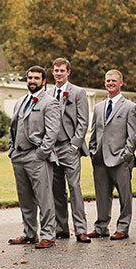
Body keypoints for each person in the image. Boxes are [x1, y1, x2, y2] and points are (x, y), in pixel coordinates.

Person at [8, 66, 61, 249]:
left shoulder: (50, 102)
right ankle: (29, 233)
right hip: (18, 156)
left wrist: (41, 154)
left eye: (36, 78)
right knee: (25, 199)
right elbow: (13, 128)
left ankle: (47, 235)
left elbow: (52, 133)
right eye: (30, 77)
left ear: (44, 81)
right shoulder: (21, 101)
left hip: (36, 156)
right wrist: (11, 150)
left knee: (44, 198)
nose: (32, 81)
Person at [89, 70, 136, 240]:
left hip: (120, 159)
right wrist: (93, 151)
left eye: (113, 81)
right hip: (100, 160)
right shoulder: (98, 107)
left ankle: (123, 228)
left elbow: (133, 135)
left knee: (125, 196)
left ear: (121, 83)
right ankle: (101, 227)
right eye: (108, 80)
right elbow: (94, 132)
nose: (110, 83)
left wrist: (126, 155)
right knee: (102, 195)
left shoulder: (130, 107)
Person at [48, 57, 91, 243]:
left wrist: (75, 144)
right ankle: (61, 228)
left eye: (62, 71)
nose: (58, 73)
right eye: (56, 71)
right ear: (52, 72)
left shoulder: (78, 92)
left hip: (69, 146)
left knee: (74, 188)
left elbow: (83, 121)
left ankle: (81, 229)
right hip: (52, 148)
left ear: (68, 72)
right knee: (56, 190)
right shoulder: (47, 93)